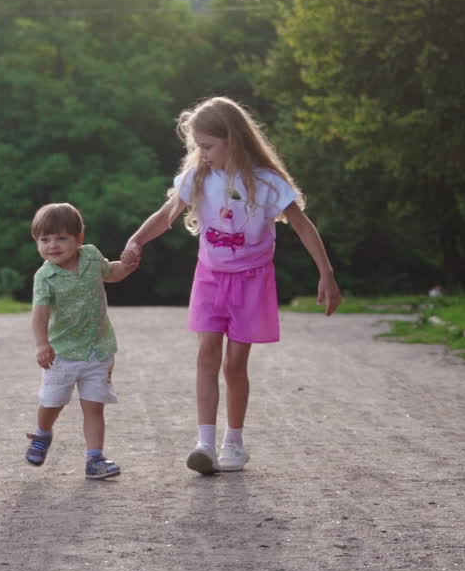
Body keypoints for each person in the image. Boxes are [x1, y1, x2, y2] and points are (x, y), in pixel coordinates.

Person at [121, 97, 341, 475]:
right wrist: (136, 240)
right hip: (210, 277)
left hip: (252, 281)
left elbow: (302, 225)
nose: (202, 154)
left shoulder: (267, 182)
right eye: (198, 147)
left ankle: (233, 442)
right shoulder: (198, 177)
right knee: (207, 354)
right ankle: (205, 443)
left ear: (233, 140)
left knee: (235, 363)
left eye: (208, 146)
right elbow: (166, 215)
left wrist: (327, 273)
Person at [25, 203, 136, 480]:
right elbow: (40, 315)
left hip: (98, 350)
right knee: (52, 403)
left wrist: (127, 266)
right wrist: (42, 344)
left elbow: (111, 272)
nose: (53, 245)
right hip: (61, 355)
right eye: (45, 239)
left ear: (79, 238)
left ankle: (94, 459)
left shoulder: (91, 257)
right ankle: (43, 433)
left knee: (94, 406)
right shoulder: (45, 277)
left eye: (61, 238)